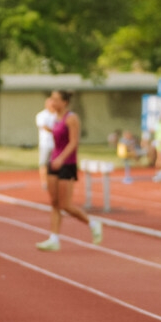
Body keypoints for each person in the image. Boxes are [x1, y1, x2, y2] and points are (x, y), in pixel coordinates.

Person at [36, 90, 104, 252]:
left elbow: (73, 142)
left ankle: (93, 224)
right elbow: (58, 137)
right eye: (52, 99)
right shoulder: (54, 118)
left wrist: (61, 158)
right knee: (54, 203)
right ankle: (54, 238)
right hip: (54, 161)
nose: (53, 102)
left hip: (67, 163)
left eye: (56, 99)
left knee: (65, 204)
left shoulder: (71, 118)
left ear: (65, 102)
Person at [35, 97, 58, 192]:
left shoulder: (58, 115)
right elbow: (44, 126)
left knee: (55, 164)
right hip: (45, 144)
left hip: (56, 144)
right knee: (44, 164)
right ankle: (44, 182)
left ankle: (54, 182)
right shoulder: (41, 115)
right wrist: (57, 131)